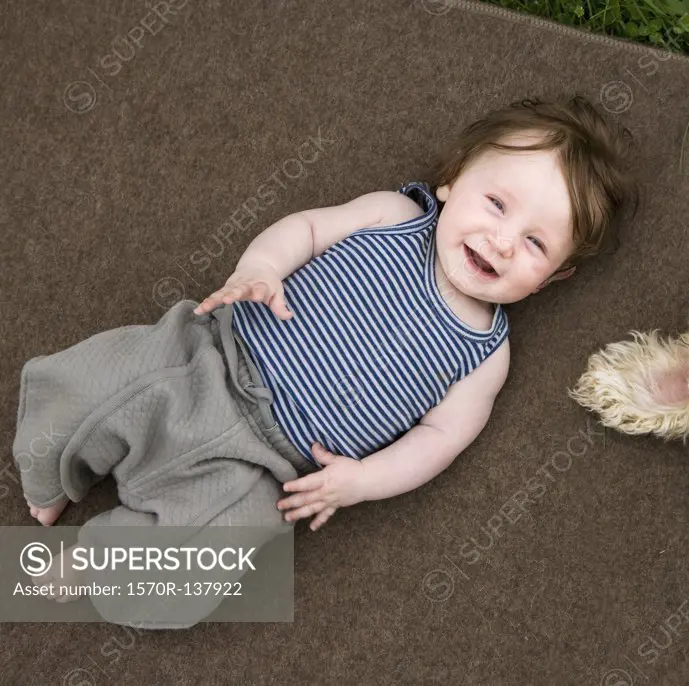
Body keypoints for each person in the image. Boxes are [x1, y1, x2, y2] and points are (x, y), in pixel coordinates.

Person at [12, 95, 637, 623]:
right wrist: (259, 267)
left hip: (269, 467)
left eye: (535, 243)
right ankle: (52, 468)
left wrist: (360, 482)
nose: (502, 242)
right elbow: (307, 229)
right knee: (94, 381)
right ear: (452, 181)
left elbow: (439, 441)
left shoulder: (486, 356)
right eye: (497, 205)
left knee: (208, 561)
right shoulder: (396, 216)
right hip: (209, 355)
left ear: (554, 278)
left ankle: (97, 568)